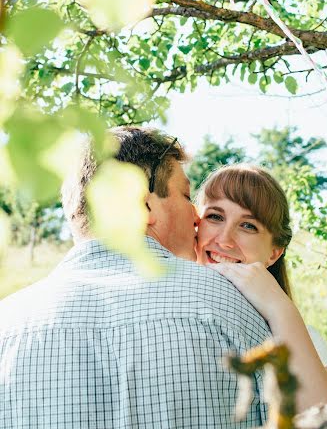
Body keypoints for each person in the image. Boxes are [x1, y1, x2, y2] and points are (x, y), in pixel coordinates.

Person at [0, 127, 272, 428]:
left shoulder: (6, 323)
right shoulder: (226, 302)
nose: (197, 216)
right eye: (185, 195)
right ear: (145, 205)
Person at [195, 163, 327, 413]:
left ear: (274, 252)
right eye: (215, 217)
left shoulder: (301, 337)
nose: (224, 240)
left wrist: (279, 306)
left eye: (248, 225)